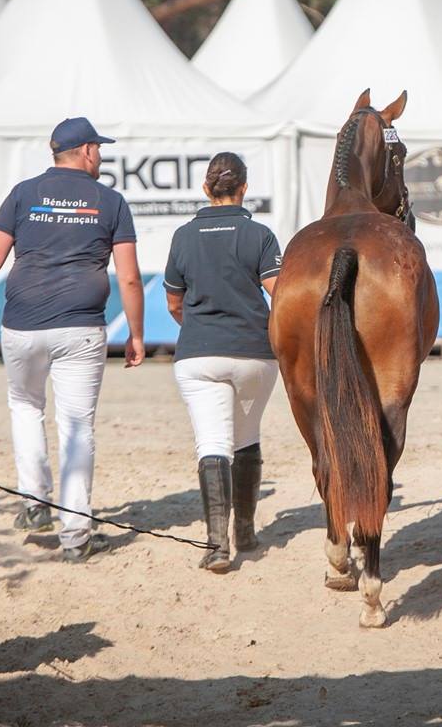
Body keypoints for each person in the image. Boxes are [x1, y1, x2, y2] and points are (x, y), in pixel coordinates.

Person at [0, 117, 144, 562]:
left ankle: (34, 502)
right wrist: (136, 333)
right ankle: (76, 536)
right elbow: (129, 277)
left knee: (26, 406)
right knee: (76, 427)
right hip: (81, 327)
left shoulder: (23, 193)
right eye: (99, 149)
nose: (101, 156)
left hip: (22, 324)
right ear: (86, 151)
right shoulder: (111, 201)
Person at [164, 153, 281, 572]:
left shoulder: (183, 236)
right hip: (255, 353)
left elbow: (174, 302)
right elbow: (279, 292)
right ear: (244, 188)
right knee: (246, 437)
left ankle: (217, 546)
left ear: (205, 189)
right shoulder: (260, 234)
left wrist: (201, 328)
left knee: (212, 444)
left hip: (200, 354)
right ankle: (245, 532)